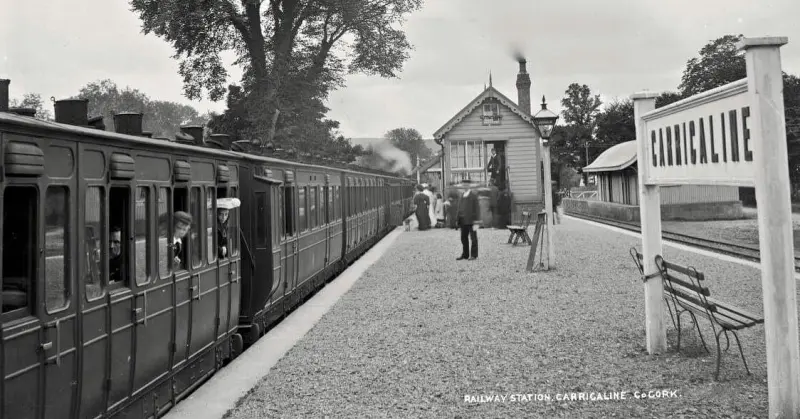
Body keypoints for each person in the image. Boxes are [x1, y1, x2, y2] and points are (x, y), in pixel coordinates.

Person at [456, 183, 480, 260]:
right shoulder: (462, 195)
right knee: (463, 238)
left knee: (473, 238)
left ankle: (473, 255)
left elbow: (477, 208)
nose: (464, 187)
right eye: (463, 185)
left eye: (466, 185)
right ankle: (465, 254)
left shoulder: (473, 195)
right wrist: (457, 219)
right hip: (463, 220)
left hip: (471, 220)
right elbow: (459, 208)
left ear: (469, 186)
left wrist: (476, 221)